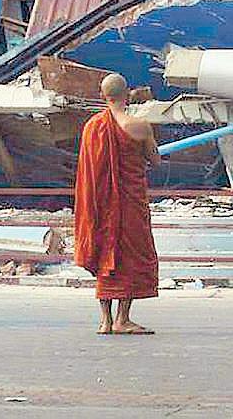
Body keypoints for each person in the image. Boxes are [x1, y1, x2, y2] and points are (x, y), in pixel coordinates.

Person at [74, 73, 160, 335]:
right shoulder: (140, 126)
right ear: (128, 94)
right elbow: (155, 160)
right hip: (131, 203)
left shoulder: (92, 127)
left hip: (100, 205)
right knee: (129, 257)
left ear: (103, 96)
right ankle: (123, 318)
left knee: (105, 255)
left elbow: (87, 172)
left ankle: (105, 320)